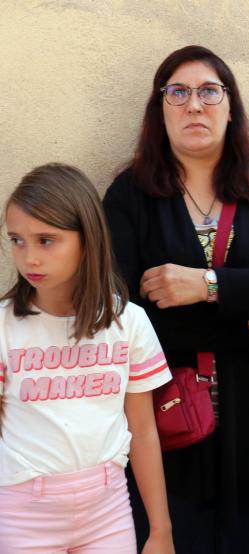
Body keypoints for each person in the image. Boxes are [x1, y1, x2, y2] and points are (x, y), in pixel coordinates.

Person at [103, 45, 249, 553]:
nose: (194, 105)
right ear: (159, 109)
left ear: (231, 107)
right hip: (166, 439)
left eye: (209, 91)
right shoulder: (128, 198)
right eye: (177, 92)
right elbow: (124, 325)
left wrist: (205, 286)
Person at [0, 163, 174, 553]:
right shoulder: (4, 328)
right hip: (21, 515)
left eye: (46, 240)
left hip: (107, 512)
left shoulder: (128, 323)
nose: (29, 258)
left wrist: (161, 530)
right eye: (17, 240)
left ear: (86, 239)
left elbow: (143, 431)